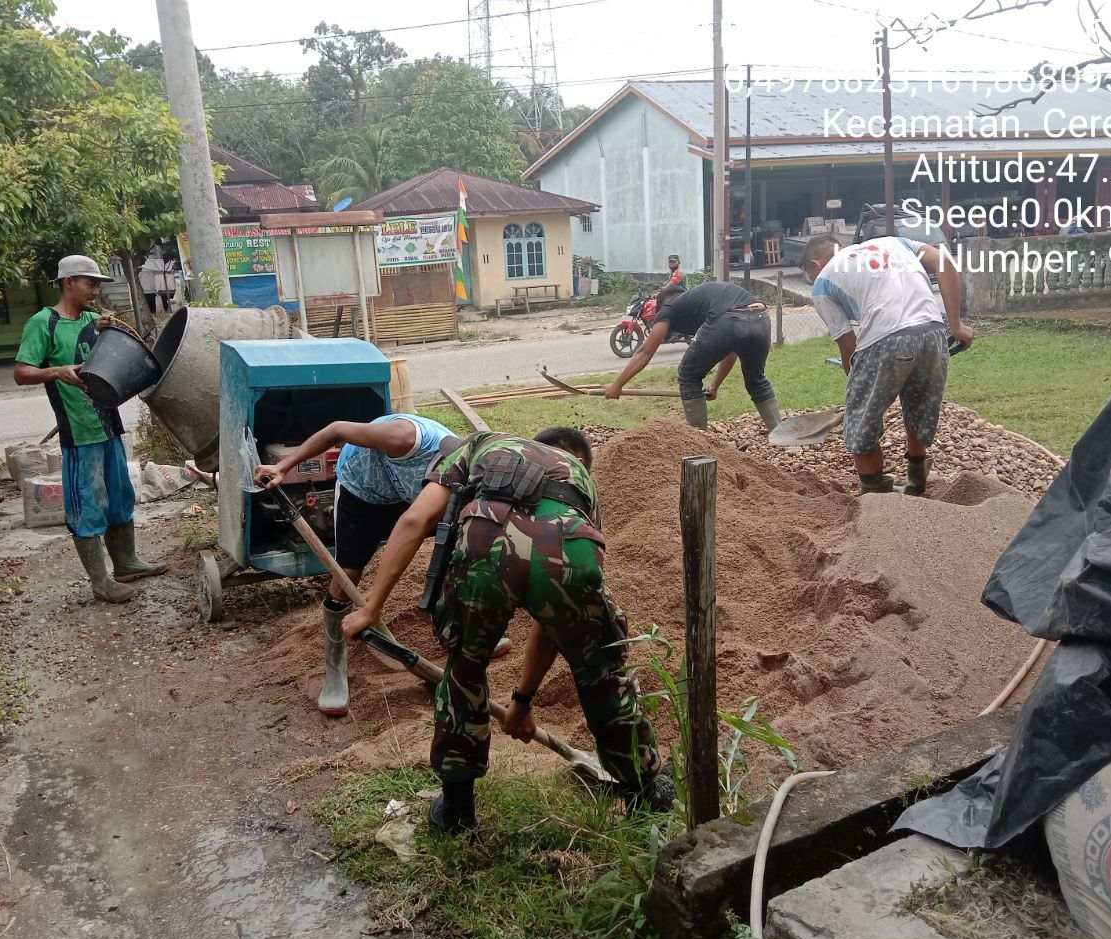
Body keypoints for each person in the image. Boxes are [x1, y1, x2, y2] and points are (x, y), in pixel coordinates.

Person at [340, 428, 672, 834]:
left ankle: (457, 812)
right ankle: (645, 790)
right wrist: (523, 700)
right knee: (601, 674)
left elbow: (415, 518)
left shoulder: (476, 445)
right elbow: (550, 621)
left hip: (484, 544)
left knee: (464, 670)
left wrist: (370, 609)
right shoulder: (580, 478)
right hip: (569, 545)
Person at [255, 414, 509, 716]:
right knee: (347, 574)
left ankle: (459, 636)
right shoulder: (402, 438)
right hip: (362, 494)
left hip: (411, 494)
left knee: (457, 552)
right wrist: (282, 466)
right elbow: (336, 429)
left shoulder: (466, 470)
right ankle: (335, 667)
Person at [14, 255, 167, 602]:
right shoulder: (44, 324)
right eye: (90, 283)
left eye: (98, 284)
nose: (96, 290)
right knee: (88, 505)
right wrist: (56, 370)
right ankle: (100, 582)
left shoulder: (94, 321)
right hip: (79, 434)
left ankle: (126, 562)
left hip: (109, 424)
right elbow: (22, 372)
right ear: (68, 282)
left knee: (120, 497)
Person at [802, 233, 973, 495]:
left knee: (860, 427)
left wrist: (857, 399)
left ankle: (876, 496)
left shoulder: (822, 283)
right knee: (918, 408)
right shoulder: (896, 243)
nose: (813, 280)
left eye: (811, 275)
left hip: (885, 340)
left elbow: (849, 348)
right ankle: (916, 485)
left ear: (816, 265)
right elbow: (944, 263)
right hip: (933, 333)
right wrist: (956, 325)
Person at [604, 281, 782, 432]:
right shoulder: (704, 300)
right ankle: (783, 437)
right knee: (756, 381)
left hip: (729, 319)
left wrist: (617, 385)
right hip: (760, 317)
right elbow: (731, 349)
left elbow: (645, 351)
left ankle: (699, 443)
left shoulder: (668, 308)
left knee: (688, 375)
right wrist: (714, 386)